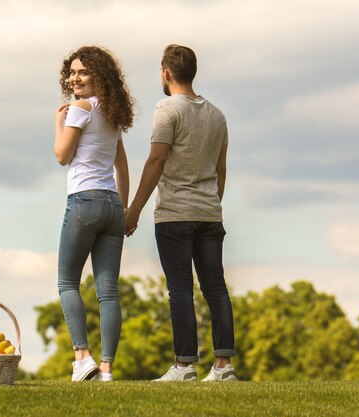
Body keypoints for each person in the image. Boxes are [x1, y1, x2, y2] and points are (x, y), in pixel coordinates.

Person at [125, 44, 237, 382]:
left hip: (174, 214)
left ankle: (185, 365)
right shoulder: (217, 115)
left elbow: (156, 160)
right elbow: (221, 170)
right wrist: (210, 204)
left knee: (180, 289)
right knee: (215, 287)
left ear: (166, 73)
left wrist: (134, 209)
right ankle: (223, 366)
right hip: (209, 213)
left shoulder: (166, 109)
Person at [54, 45, 134, 382]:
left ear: (98, 76)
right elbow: (122, 165)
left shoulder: (80, 109)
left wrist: (59, 121)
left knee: (68, 281)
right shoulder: (112, 114)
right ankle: (105, 369)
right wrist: (125, 209)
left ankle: (82, 357)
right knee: (108, 291)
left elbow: (61, 155)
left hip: (84, 201)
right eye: (72, 73)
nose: (75, 78)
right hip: (112, 204)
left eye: (82, 72)